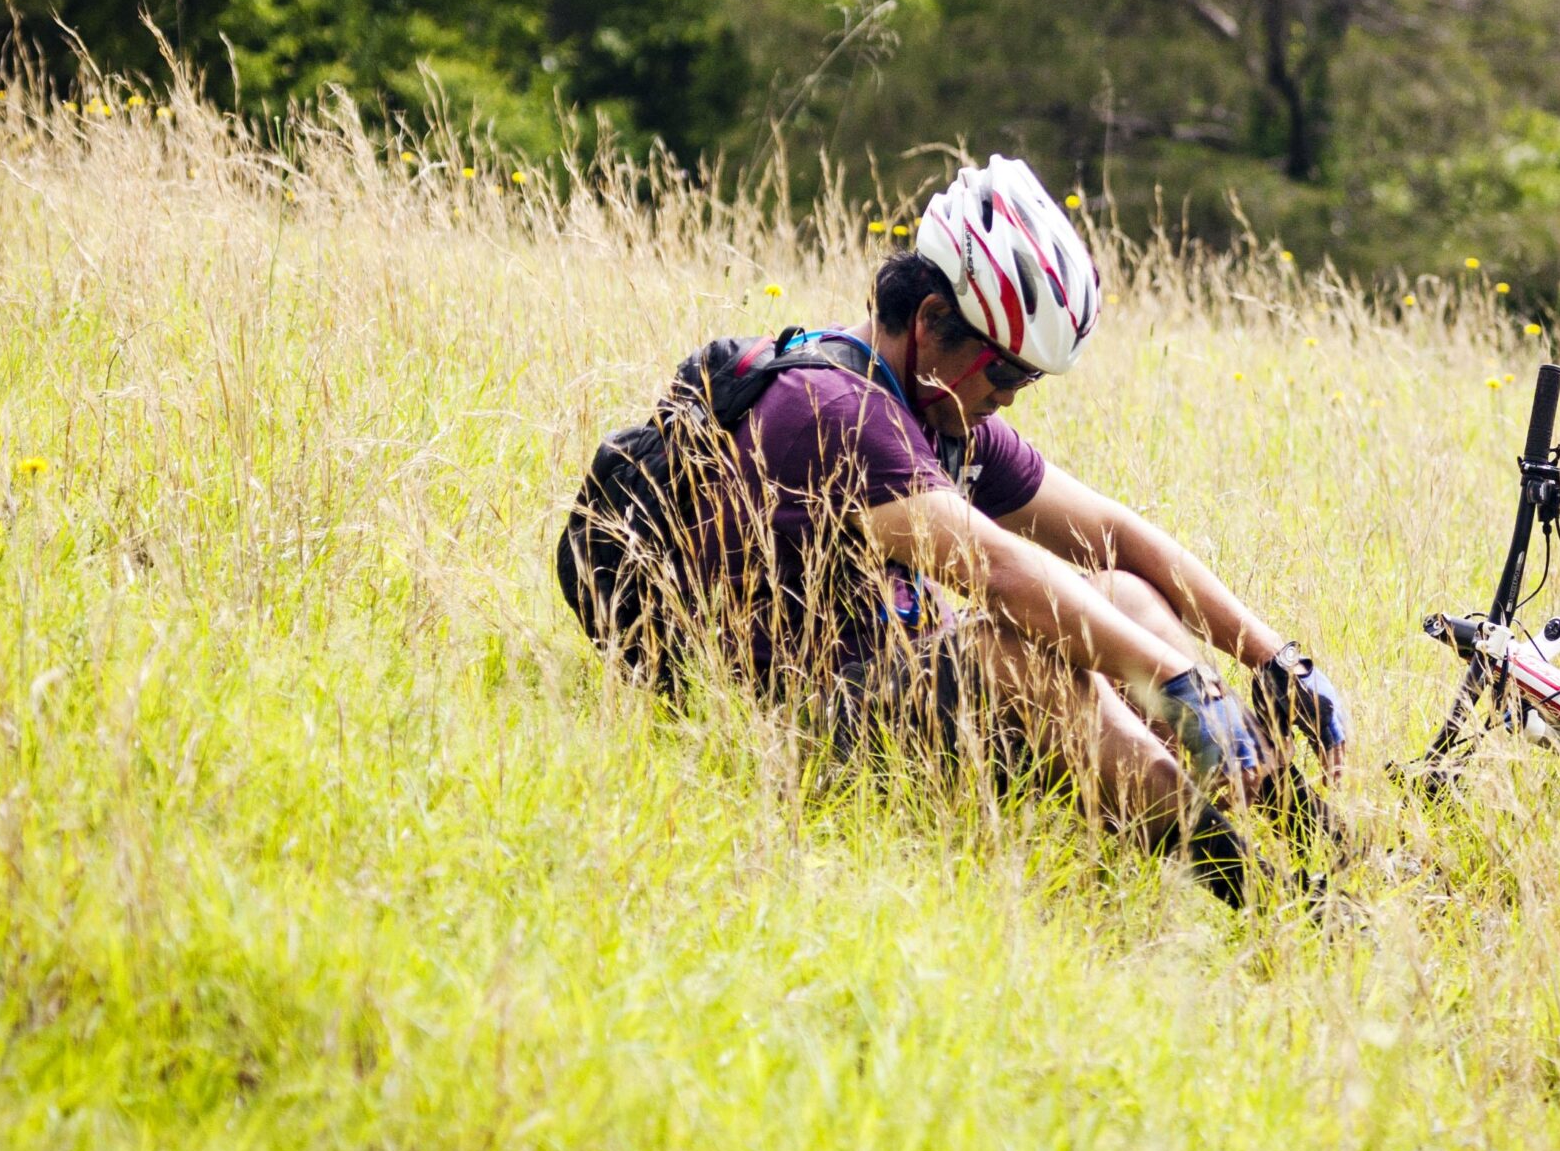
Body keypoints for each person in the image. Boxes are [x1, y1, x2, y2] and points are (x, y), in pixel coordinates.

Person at [557, 154, 1350, 907]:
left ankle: (1317, 839)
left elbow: (1112, 531)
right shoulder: (835, 410)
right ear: (932, 319)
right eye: (1005, 371)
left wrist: (1272, 656)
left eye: (1028, 378)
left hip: (893, 681)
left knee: (1124, 595)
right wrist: (1182, 685)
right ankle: (1265, 895)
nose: (1011, 395)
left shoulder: (934, 402)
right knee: (1017, 652)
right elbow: (1000, 572)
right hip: (789, 727)